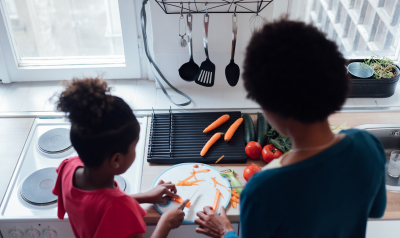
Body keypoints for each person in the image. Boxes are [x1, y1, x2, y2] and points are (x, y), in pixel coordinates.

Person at [194, 18, 387, 238]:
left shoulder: (262, 190)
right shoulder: (368, 146)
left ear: (271, 107)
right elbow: (375, 209)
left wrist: (225, 232)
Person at [52, 78, 189, 238]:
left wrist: (145, 196)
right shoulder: (121, 210)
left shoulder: (68, 167)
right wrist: (165, 224)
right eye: (135, 145)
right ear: (116, 159)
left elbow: (96, 204)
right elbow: (110, 207)